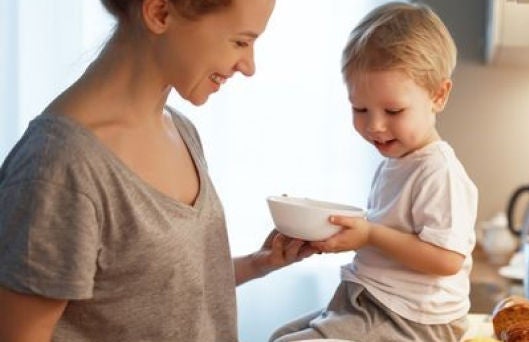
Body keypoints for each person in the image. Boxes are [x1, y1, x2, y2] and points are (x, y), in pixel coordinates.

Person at [0, 0, 317, 341]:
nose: (249, 65)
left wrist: (258, 263)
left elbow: (155, 292)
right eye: (240, 41)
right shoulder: (60, 168)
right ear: (159, 12)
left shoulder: (180, 130)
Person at [269, 2, 478, 341]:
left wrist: (369, 235)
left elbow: (448, 260)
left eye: (393, 110)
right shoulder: (395, 163)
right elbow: (392, 235)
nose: (375, 125)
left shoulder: (439, 171)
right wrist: (341, 232)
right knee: (281, 335)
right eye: (360, 108)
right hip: (374, 300)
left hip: (414, 319)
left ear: (439, 95)